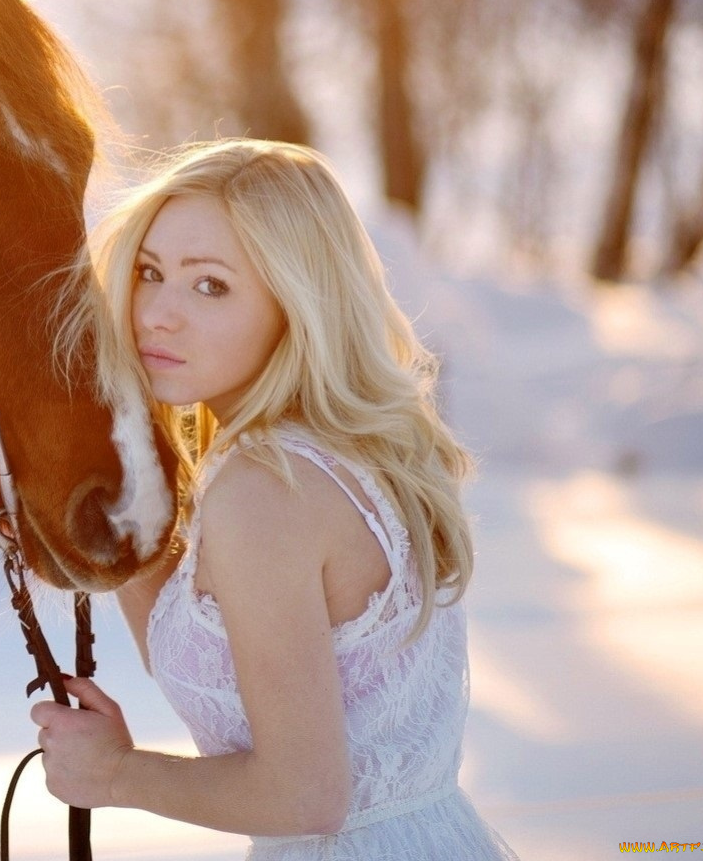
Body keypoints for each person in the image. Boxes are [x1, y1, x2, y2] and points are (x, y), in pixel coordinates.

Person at [30, 139, 518, 859]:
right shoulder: (329, 456)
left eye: (211, 286)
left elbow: (305, 796)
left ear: (296, 302)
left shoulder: (266, 490)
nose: (157, 314)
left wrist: (115, 774)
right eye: (149, 272)